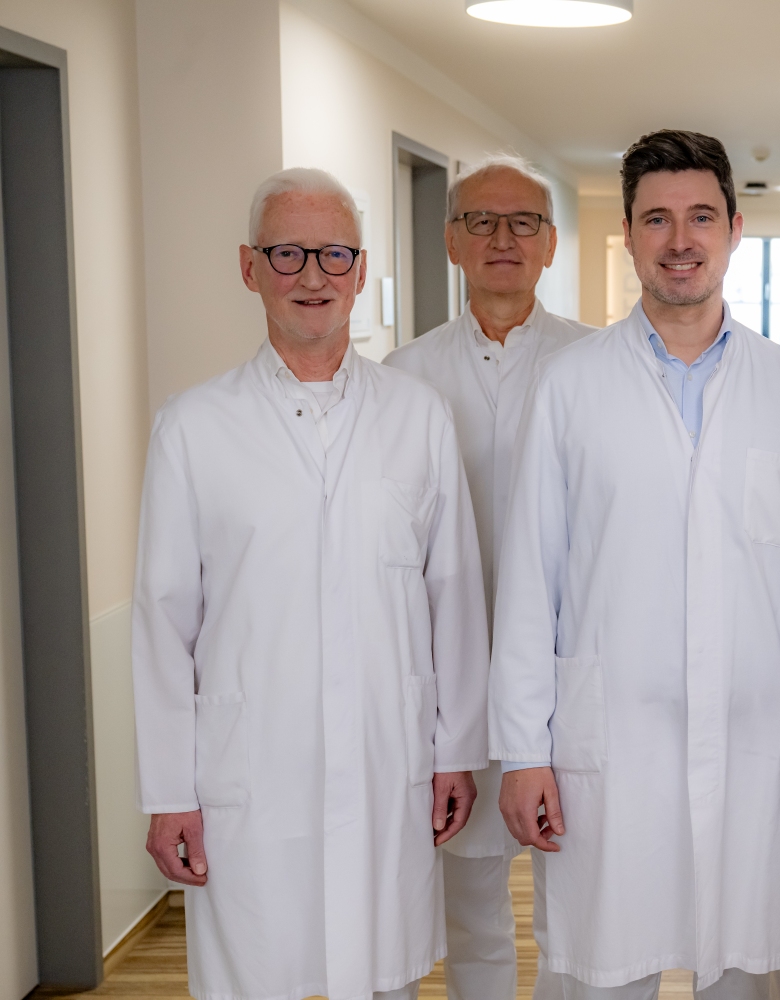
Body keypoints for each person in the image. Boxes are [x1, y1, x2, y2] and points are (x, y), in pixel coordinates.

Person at [491, 129, 780, 999]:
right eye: (657, 219)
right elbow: (531, 577)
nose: (680, 239)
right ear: (628, 234)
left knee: (737, 970)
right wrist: (522, 751)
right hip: (610, 738)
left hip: (756, 736)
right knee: (602, 969)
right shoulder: (571, 384)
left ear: (735, 229)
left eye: (701, 216)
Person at [133, 167, 490, 1000]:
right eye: (287, 253)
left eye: (335, 255)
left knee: (381, 972)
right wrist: (168, 790)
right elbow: (162, 620)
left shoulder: (417, 415)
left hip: (384, 752)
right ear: (249, 267)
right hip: (251, 764)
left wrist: (455, 751)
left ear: (361, 272)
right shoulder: (194, 426)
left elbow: (454, 593)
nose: (312, 276)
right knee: (255, 972)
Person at [385, 152, 594, 1000]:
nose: (503, 238)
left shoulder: (596, 364)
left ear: (550, 244)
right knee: (472, 904)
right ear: (451, 241)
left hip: (572, 670)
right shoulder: (403, 378)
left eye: (523, 223)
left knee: (578, 901)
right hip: (456, 676)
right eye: (481, 221)